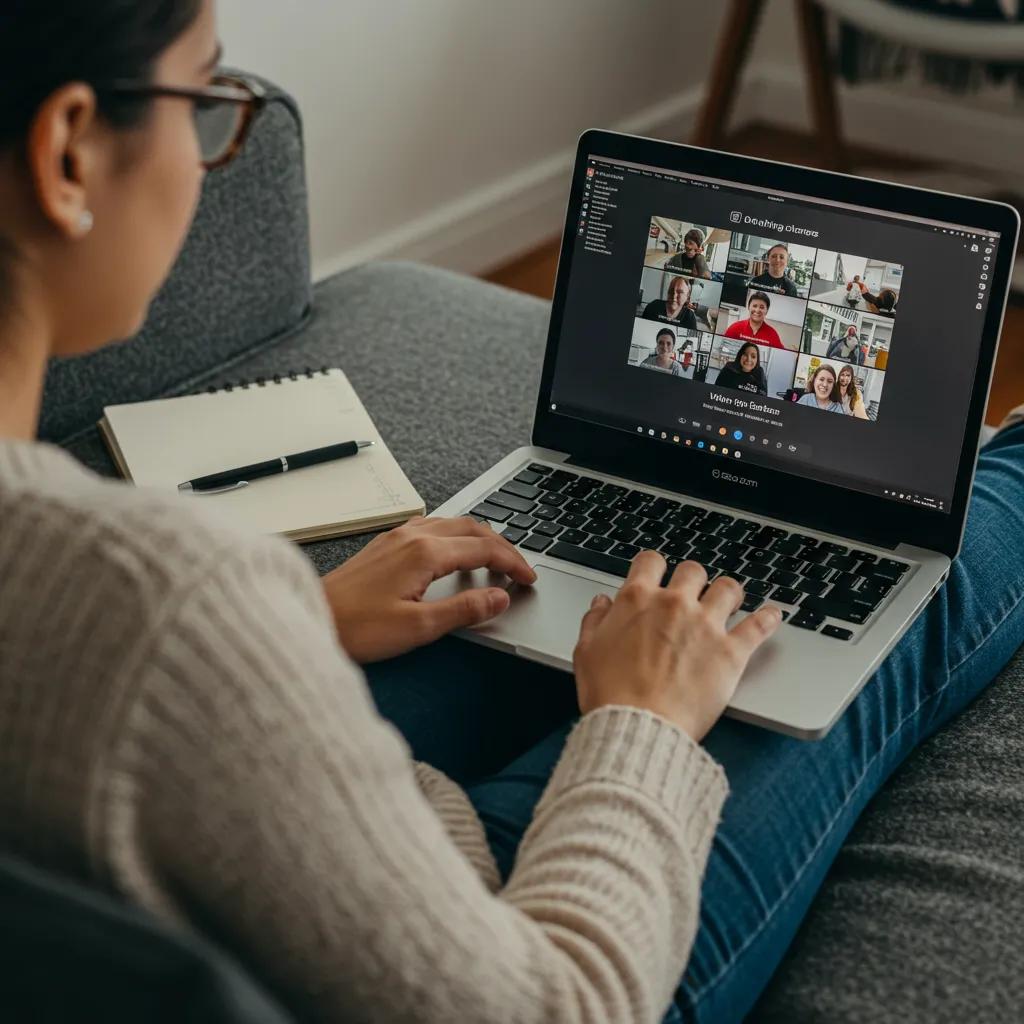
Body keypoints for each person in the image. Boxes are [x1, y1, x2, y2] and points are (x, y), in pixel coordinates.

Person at [4, 6, 1024, 1024]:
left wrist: (299, 625)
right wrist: (641, 720)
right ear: (66, 154)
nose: (207, 156)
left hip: (296, 878)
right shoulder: (169, 599)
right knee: (890, 617)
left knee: (518, 602)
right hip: (507, 950)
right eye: (206, 98)